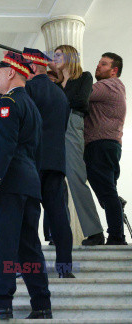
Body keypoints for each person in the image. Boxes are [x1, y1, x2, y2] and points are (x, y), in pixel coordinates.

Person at [0, 52, 51, 320]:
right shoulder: (30, 106)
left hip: (6, 185)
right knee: (29, 247)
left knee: (1, 244)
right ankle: (41, 304)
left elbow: (4, 147)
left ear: (12, 73)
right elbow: (37, 152)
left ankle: (2, 302)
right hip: (28, 185)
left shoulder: (7, 103)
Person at [23, 47, 74, 277]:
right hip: (55, 162)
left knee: (28, 216)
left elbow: (24, 125)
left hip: (33, 162)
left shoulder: (29, 89)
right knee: (58, 215)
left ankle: (30, 268)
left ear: (32, 66)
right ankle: (65, 267)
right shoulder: (60, 93)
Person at [50, 45, 103, 245]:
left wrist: (59, 98)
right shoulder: (55, 85)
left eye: (58, 55)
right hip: (55, 129)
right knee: (54, 183)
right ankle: (59, 234)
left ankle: (95, 231)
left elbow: (81, 102)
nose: (54, 58)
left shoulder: (84, 77)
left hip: (72, 123)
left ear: (70, 57)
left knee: (76, 178)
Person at [84, 52, 127, 245]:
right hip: (107, 146)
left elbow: (83, 94)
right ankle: (116, 228)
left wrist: (70, 76)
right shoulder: (115, 87)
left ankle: (116, 237)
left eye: (103, 64)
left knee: (107, 192)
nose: (98, 66)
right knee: (107, 191)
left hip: (101, 145)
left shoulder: (109, 85)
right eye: (99, 62)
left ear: (114, 70)